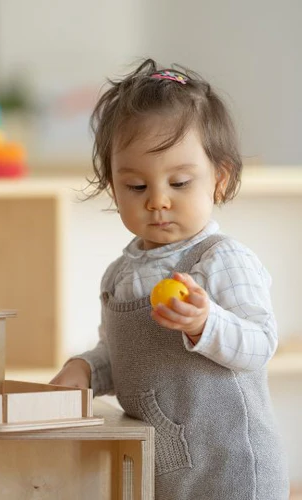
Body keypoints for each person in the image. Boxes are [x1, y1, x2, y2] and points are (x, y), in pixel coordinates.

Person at [50, 59, 289, 499]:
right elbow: (123, 355)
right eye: (137, 187)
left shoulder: (220, 260)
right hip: (164, 469)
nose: (158, 201)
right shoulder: (120, 275)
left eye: (179, 182)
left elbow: (259, 345)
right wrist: (85, 368)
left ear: (220, 180)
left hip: (229, 467)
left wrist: (205, 323)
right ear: (113, 188)